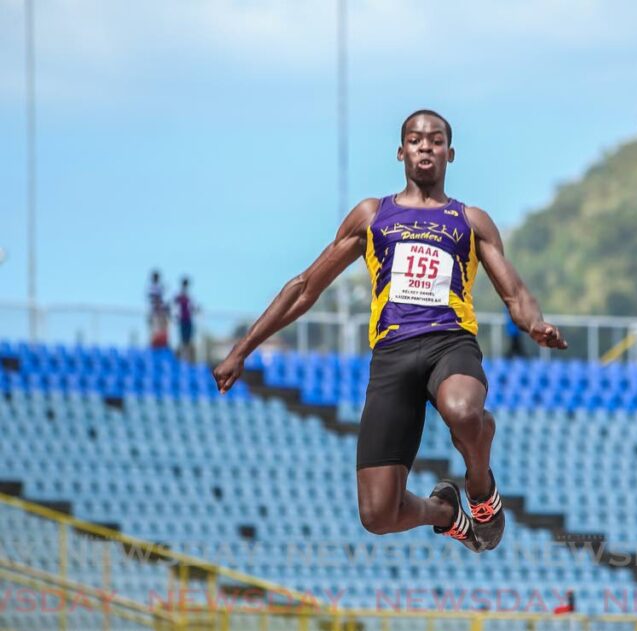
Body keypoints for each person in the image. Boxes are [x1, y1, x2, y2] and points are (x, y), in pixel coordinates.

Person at [213, 110, 566, 553]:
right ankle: (446, 512)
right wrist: (242, 350)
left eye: (436, 140)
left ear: (449, 154)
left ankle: (481, 490)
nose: (425, 147)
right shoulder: (371, 215)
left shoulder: (471, 221)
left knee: (463, 411)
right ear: (401, 152)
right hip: (392, 354)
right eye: (416, 140)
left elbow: (514, 292)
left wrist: (535, 324)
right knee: (378, 515)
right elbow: (305, 287)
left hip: (449, 342)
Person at [174, 277, 198, 359]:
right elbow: (175, 307)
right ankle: (182, 358)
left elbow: (193, 308)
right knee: (182, 341)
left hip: (188, 320)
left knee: (188, 341)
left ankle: (187, 358)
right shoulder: (179, 295)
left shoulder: (190, 296)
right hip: (182, 321)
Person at [146, 270, 168, 348]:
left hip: (160, 313)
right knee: (153, 331)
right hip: (154, 313)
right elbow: (153, 298)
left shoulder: (159, 287)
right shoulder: (151, 287)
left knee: (161, 331)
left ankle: (161, 345)